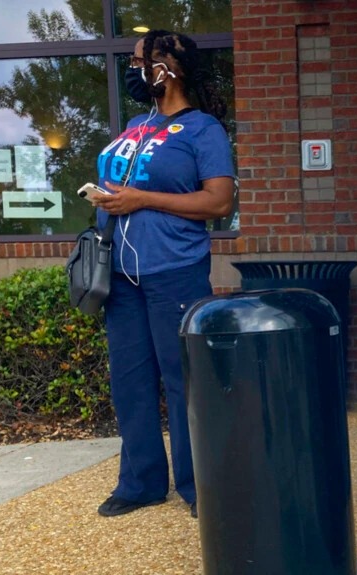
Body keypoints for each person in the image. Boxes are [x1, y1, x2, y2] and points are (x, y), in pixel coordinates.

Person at [90, 29, 234, 519]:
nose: (131, 70)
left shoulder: (202, 130)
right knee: (129, 382)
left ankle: (201, 487)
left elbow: (219, 200)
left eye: (137, 61)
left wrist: (143, 199)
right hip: (122, 274)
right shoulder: (135, 123)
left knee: (183, 380)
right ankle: (141, 483)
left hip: (173, 270)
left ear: (166, 67)